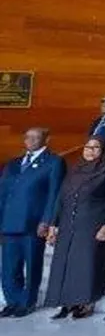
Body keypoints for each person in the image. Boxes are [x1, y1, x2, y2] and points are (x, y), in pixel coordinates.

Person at [43, 136, 105, 320]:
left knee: (86, 264)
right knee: (66, 263)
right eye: (87, 147)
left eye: (96, 147)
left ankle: (86, 302)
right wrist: (53, 224)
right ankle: (66, 302)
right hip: (68, 223)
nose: (90, 151)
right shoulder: (75, 168)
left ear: (103, 151)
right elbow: (61, 198)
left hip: (92, 223)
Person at [0, 128, 65, 318]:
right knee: (9, 267)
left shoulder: (54, 162)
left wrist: (47, 220)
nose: (31, 140)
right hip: (9, 222)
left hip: (33, 223)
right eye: (28, 137)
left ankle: (27, 302)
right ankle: (12, 301)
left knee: (32, 264)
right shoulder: (13, 163)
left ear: (46, 139)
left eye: (36, 137)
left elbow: (54, 193)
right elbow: (3, 193)